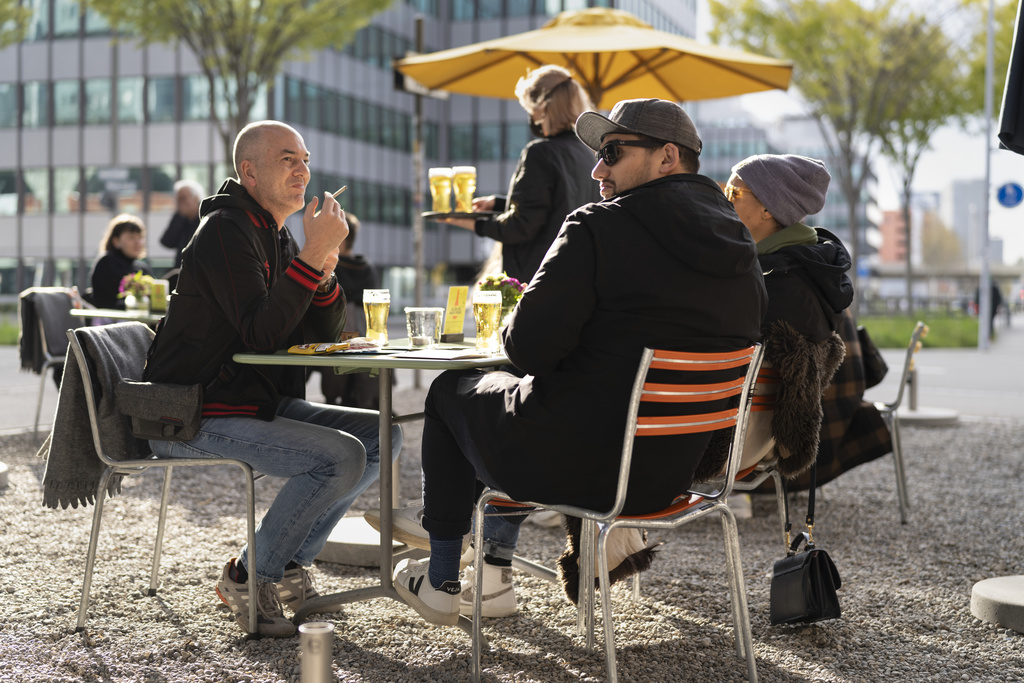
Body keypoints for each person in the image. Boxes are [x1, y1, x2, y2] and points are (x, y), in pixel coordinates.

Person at [391, 99, 767, 627]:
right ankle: (483, 561)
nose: (597, 169)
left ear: (666, 158)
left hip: (580, 467)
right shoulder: (741, 246)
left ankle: (443, 573)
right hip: (672, 473)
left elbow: (527, 349)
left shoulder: (596, 227)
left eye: (612, 152)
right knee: (509, 402)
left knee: (453, 389)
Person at [141, 121, 403, 637]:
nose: (303, 169)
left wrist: (323, 268)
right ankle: (249, 574)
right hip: (189, 413)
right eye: (288, 159)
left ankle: (283, 567)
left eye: (305, 158)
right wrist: (309, 256)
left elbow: (322, 333)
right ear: (249, 171)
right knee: (341, 455)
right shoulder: (224, 231)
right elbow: (262, 335)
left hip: (249, 402)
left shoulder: (272, 233)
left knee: (382, 435)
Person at [694, 154, 853, 485]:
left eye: (734, 193)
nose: (724, 199)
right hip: (759, 444)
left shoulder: (765, 283)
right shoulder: (810, 275)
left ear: (768, 209)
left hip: (714, 445)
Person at [445, 65, 600, 284]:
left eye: (530, 110)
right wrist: (499, 204)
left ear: (544, 107)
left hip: (538, 279)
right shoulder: (589, 154)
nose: (532, 119)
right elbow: (557, 205)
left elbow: (521, 227)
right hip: (576, 274)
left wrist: (472, 222)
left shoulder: (540, 152)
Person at [319, 212, 381, 408]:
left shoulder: (333, 267)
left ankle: (330, 400)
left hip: (339, 341)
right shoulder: (368, 267)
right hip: (368, 342)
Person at [86, 214, 153, 309]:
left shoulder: (142, 268)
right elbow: (115, 302)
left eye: (141, 237)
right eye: (131, 237)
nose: (138, 242)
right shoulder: (106, 263)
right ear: (116, 241)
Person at [160, 179, 204, 268]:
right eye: (178, 199)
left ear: (196, 198)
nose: (181, 203)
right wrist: (179, 216)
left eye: (184, 198)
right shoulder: (180, 219)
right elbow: (167, 242)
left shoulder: (206, 217)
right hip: (182, 270)